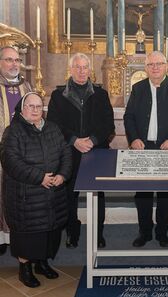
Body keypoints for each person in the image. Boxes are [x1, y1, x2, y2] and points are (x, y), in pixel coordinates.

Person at [0, 92, 72, 288]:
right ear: (22, 109)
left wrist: (63, 175)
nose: (35, 110)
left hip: (52, 193)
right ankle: (25, 270)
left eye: (38, 106)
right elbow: (11, 162)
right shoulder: (12, 132)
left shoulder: (52, 128)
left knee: (49, 232)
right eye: (30, 106)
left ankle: (42, 263)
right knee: (27, 235)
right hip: (26, 195)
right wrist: (39, 178)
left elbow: (66, 152)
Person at [124, 51, 168, 248]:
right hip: (143, 147)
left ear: (166, 66)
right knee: (143, 193)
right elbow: (129, 117)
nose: (155, 67)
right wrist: (134, 138)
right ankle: (144, 232)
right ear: (146, 68)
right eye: (151, 64)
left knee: (164, 193)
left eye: (159, 64)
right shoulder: (138, 88)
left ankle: (162, 232)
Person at [48, 53, 115, 249]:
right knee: (70, 195)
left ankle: (98, 233)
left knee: (98, 194)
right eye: (77, 67)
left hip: (97, 151)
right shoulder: (58, 96)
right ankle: (72, 232)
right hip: (69, 152)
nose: (81, 70)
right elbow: (54, 124)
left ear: (89, 70)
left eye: (85, 67)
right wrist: (74, 140)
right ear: (70, 69)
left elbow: (108, 124)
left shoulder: (101, 94)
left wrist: (92, 141)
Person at [0, 46, 32, 256]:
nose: (14, 64)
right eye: (8, 60)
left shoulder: (26, 86)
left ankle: (19, 236)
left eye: (17, 60)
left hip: (23, 152)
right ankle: (2, 239)